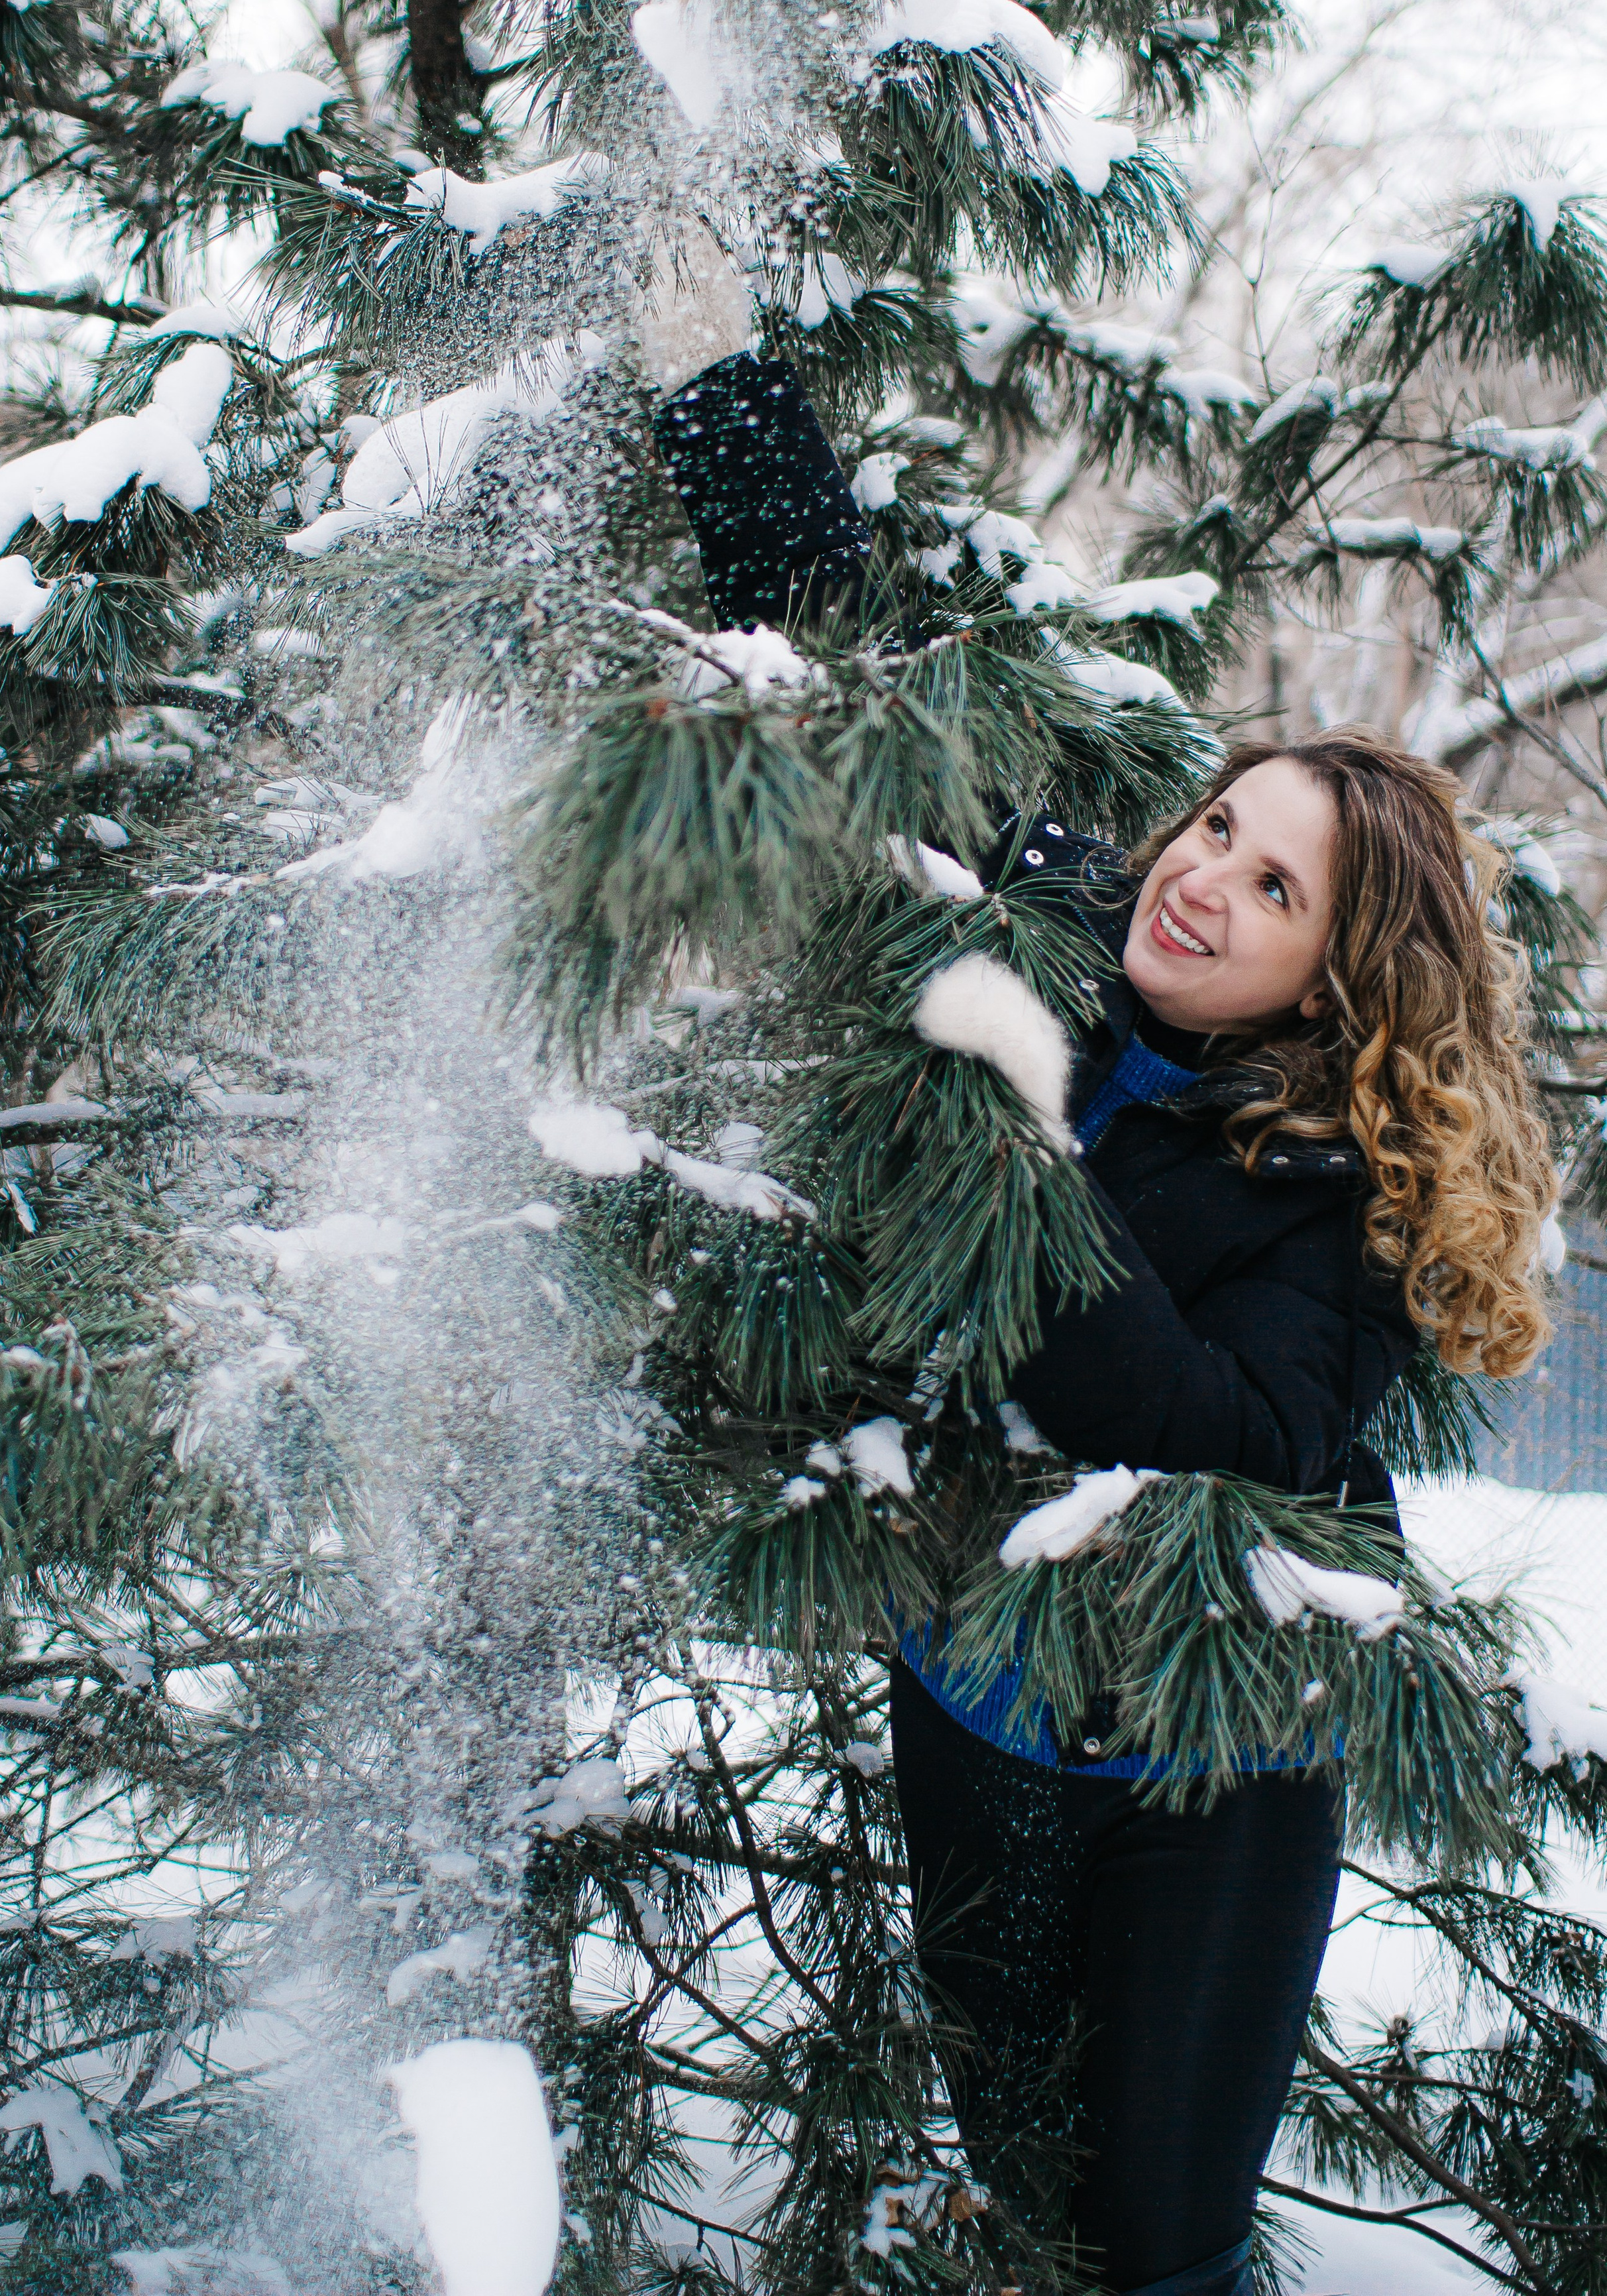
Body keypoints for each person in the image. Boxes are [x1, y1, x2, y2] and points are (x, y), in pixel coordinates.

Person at [637, 253, 1559, 2296]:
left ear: (1342, 970)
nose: (1202, 872)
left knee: (1148, 2240)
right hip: (972, 1703)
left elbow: (1220, 1431)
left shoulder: (1342, 1194)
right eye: (1221, 822)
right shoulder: (1056, 918)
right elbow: (883, 690)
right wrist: (712, 370)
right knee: (1019, 2174)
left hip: (1202, 1786)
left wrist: (1024, 1134)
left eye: (1273, 881)